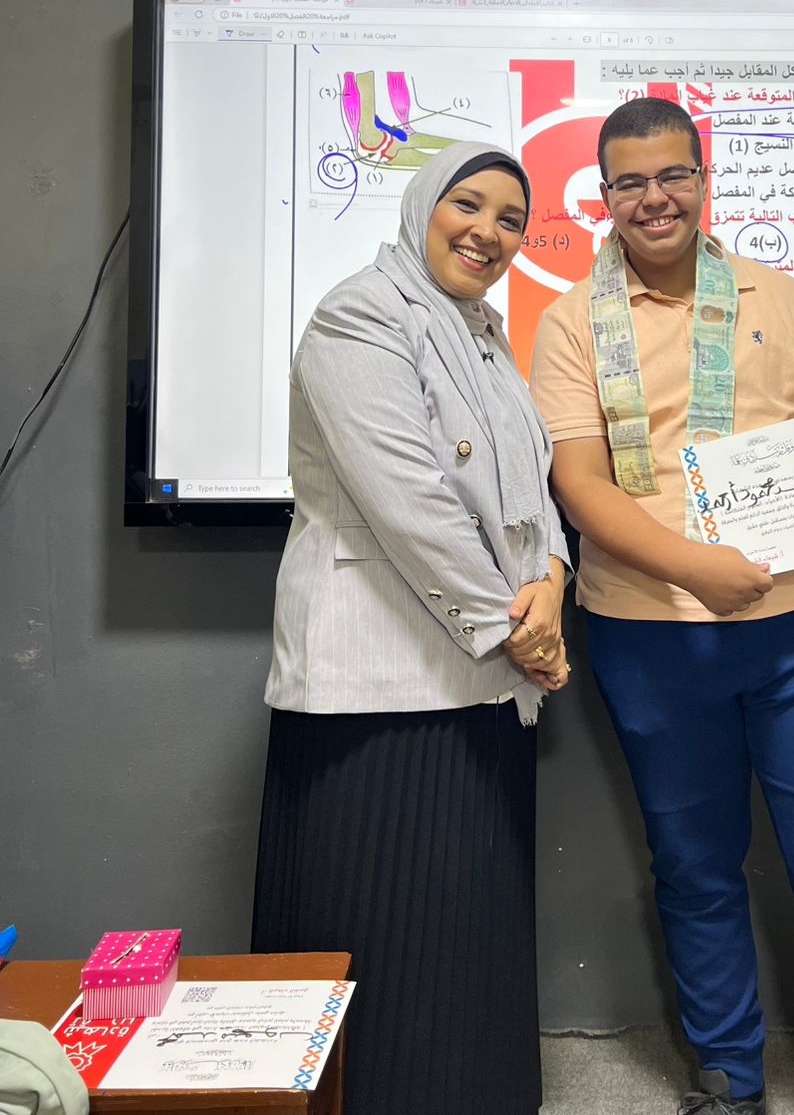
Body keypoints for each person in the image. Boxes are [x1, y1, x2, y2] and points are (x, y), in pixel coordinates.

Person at [530, 98, 794, 1115]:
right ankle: (730, 1084)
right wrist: (691, 566)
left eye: (672, 174)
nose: (654, 198)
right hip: (650, 632)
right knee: (693, 865)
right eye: (629, 182)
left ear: (703, 177)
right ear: (604, 197)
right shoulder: (565, 323)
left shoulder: (784, 296)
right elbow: (580, 486)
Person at [253, 141, 571, 1115]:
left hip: (485, 670)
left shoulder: (480, 333)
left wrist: (552, 583)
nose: (488, 231)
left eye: (511, 218)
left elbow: (534, 484)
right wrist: (509, 624)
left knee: (462, 919)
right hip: (376, 680)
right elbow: (409, 497)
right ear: (423, 206)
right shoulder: (360, 314)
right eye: (467, 204)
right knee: (376, 924)